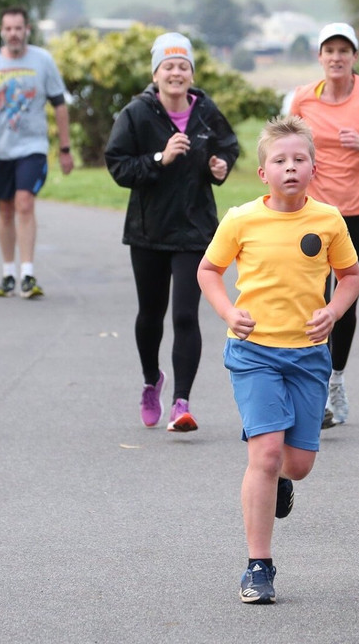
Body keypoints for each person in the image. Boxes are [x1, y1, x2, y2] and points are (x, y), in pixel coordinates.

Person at [197, 115, 359, 605]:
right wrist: (229, 310)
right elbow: (209, 271)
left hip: (309, 355)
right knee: (265, 454)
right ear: (262, 172)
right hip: (253, 353)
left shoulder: (329, 220)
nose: (290, 168)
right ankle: (258, 566)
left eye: (299, 159)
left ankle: (283, 483)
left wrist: (333, 311)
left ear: (314, 167)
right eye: (279, 160)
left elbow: (350, 277)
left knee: (298, 463)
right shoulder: (241, 219)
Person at [105, 32, 240, 432]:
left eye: (183, 66)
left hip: (195, 231)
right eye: (169, 66)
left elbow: (228, 146)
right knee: (151, 315)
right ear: (156, 72)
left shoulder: (206, 111)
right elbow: (118, 166)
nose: (176, 73)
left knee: (185, 314)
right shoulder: (137, 114)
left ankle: (182, 402)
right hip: (148, 231)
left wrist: (221, 166)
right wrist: (158, 159)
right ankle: (152, 382)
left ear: (191, 73)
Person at [288, 22, 359, 428]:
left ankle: (336, 383)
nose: (336, 58)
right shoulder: (304, 99)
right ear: (319, 58)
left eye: (344, 51)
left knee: (344, 301)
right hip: (314, 215)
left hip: (358, 215)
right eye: (329, 51)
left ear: (355, 57)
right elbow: (285, 146)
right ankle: (314, 390)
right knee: (313, 300)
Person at [0, 6, 74, 299]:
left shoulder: (43, 60)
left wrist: (64, 148)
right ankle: (8, 274)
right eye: (8, 29)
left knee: (24, 203)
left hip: (32, 146)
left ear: (27, 30)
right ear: (2, 31)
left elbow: (59, 106)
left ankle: (27, 272)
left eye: (18, 28)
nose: (13, 34)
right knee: (4, 209)